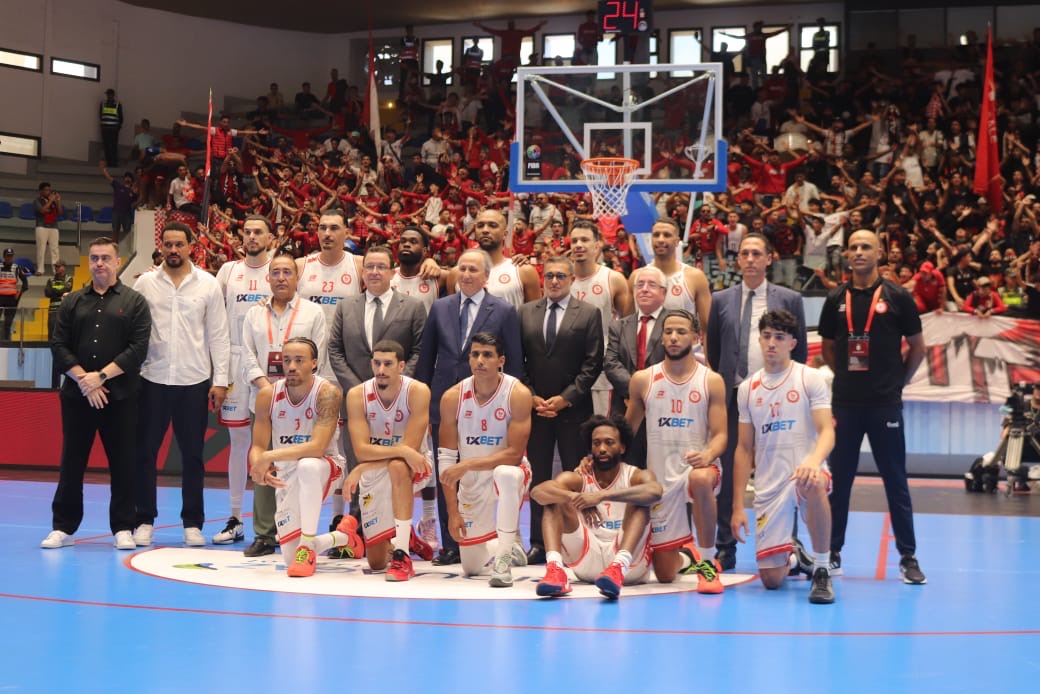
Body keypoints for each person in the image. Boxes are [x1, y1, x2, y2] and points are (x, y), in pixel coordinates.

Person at [818, 229, 927, 584]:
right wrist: (846, 377)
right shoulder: (835, 298)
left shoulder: (898, 296)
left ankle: (908, 556)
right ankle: (831, 552)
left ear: (880, 253)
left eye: (866, 246)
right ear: (847, 255)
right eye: (853, 247)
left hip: (884, 405)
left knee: (896, 481)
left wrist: (898, 383)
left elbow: (917, 347)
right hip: (845, 404)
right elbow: (829, 348)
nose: (859, 252)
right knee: (840, 482)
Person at [705, 232, 807, 571]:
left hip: (777, 397)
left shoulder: (789, 298)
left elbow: (799, 351)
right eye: (744, 253)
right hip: (735, 397)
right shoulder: (720, 300)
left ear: (769, 259)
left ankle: (787, 545)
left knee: (782, 471)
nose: (750, 259)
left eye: (756, 253)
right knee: (729, 469)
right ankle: (725, 546)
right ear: (738, 260)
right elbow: (715, 351)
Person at [41, 237, 151, 550]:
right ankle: (63, 527)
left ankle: (123, 527)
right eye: (94, 258)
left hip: (122, 397)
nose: (99, 263)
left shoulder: (135, 302)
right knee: (71, 462)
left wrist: (100, 377)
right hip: (78, 397)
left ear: (117, 262)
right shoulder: (72, 301)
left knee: (123, 463)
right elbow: (58, 345)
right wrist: (84, 381)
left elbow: (138, 349)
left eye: (105, 258)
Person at [415, 249, 523, 565]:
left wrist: (509, 404)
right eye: (461, 268)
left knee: (488, 473)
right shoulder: (440, 307)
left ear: (486, 276)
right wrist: (423, 407)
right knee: (449, 469)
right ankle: (451, 544)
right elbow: (426, 359)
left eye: (473, 269)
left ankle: (500, 540)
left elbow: (514, 361)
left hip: (491, 405)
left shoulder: (503, 310)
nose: (465, 274)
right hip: (445, 401)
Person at [132, 222, 230, 547]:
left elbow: (219, 335)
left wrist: (220, 380)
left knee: (192, 456)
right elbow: (133, 329)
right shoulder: (145, 283)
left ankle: (192, 523)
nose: (173, 250)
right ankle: (143, 520)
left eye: (179, 244)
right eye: (168, 244)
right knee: (145, 453)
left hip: (194, 381)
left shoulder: (208, 285)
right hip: (152, 379)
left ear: (191, 247)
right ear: (161, 247)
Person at [731, 310, 836, 604]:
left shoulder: (810, 378)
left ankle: (822, 569)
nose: (771, 343)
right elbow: (743, 449)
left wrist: (813, 461)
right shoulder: (747, 389)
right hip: (769, 484)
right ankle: (794, 556)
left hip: (805, 470)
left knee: (812, 482)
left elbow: (827, 431)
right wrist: (737, 506)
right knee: (772, 580)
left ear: (792, 342)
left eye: (779, 337)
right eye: (766, 336)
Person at [327, 244, 429, 547]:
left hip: (399, 401)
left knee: (397, 465)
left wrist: (395, 384)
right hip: (357, 400)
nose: (374, 272)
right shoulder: (346, 306)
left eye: (381, 266)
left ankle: (399, 530)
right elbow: (335, 350)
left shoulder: (412, 307)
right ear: (362, 272)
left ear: (392, 271)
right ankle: (358, 529)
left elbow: (418, 350)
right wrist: (361, 390)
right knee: (359, 460)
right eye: (369, 266)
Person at [625, 309, 728, 592]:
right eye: (668, 331)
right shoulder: (643, 379)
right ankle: (688, 556)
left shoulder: (711, 380)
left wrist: (707, 455)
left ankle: (707, 564)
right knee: (665, 574)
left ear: (695, 338)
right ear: (661, 337)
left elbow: (721, 435)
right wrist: (596, 460)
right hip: (661, 478)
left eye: (681, 332)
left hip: (699, 467)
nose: (673, 337)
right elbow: (626, 432)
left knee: (700, 479)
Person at [248, 338, 363, 577]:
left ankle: (307, 547)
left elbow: (317, 447)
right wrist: (258, 465)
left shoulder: (328, 393)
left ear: (314, 363)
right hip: (286, 475)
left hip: (326, 468)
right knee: (290, 556)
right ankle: (343, 537)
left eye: (299, 360)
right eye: (287, 360)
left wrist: (268, 455)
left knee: (307, 465)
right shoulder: (267, 395)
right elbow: (257, 446)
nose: (291, 366)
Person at [519, 255, 604, 564]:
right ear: (543, 279)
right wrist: (531, 396)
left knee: (576, 475)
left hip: (574, 410)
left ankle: (579, 540)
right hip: (536, 409)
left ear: (571, 279)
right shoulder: (525, 312)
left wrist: (566, 398)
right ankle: (539, 543)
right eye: (549, 276)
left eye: (560, 276)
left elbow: (593, 363)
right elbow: (517, 360)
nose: (554, 281)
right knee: (538, 477)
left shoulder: (589, 313)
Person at [438, 332, 534, 585]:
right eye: (475, 354)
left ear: (501, 360)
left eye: (487, 355)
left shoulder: (517, 393)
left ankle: (503, 559)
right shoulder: (452, 397)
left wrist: (468, 464)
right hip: (472, 482)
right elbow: (447, 460)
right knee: (471, 567)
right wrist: (452, 512)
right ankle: (509, 545)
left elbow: (514, 454)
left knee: (506, 473)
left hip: (510, 474)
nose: (480, 360)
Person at [531, 415, 662, 599]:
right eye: (596, 443)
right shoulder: (580, 477)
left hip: (629, 566)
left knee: (640, 498)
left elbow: (655, 491)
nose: (602, 448)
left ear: (622, 447)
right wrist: (575, 497)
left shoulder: (635, 475)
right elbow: (538, 492)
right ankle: (555, 569)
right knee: (554, 499)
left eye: (609, 442)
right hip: (586, 561)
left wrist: (600, 496)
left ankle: (618, 566)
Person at [344, 340, 434, 581]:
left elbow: (411, 452)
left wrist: (363, 466)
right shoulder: (357, 395)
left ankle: (402, 555)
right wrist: (368, 463)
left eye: (387, 364)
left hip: (415, 466)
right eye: (377, 363)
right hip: (376, 466)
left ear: (401, 366)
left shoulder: (418, 391)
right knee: (375, 562)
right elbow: (361, 451)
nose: (381, 369)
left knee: (397, 466)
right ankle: (406, 536)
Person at [214, 216, 274, 553]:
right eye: (247, 231)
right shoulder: (228, 271)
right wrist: (219, 372)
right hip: (236, 360)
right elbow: (215, 319)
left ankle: (278, 522)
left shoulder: (279, 269)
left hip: (270, 361)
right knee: (239, 442)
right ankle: (235, 518)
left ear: (270, 237)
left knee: (273, 442)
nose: (252, 236)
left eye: (258, 232)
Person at [603, 265, 668, 464]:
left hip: (663, 407)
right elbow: (611, 363)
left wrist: (644, 395)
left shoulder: (674, 324)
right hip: (624, 406)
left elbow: (674, 363)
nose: (644, 289)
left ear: (664, 293)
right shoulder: (619, 325)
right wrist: (634, 393)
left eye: (651, 285)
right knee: (626, 466)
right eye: (640, 285)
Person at [569, 220, 633, 415]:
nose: (578, 245)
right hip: (568, 368)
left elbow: (629, 326)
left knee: (601, 426)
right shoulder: (559, 279)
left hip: (602, 369)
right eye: (574, 240)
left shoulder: (613, 279)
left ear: (597, 245)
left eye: (584, 240)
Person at [448, 208, 541, 309]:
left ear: (505, 234)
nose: (485, 230)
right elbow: (452, 314)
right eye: (480, 226)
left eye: (492, 226)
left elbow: (534, 316)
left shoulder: (523, 271)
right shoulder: (455, 274)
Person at [642, 217, 711, 351]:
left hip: (687, 356)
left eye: (667, 235)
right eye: (656, 235)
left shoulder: (695, 277)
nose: (660, 239)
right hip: (648, 357)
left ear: (677, 241)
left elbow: (708, 327)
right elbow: (628, 328)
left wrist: (708, 361)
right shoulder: (637, 277)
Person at [97, 163, 136, 243]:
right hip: (116, 212)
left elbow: (136, 201)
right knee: (115, 232)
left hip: (127, 213)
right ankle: (114, 247)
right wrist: (103, 169)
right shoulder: (118, 186)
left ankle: (128, 248)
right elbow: (109, 178)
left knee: (128, 233)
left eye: (129, 177)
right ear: (124, 179)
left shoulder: (133, 191)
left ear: (132, 180)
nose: (127, 179)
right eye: (126, 177)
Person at [0, 248, 29, 341]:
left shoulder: (17, 267)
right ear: (4, 257)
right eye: (8, 256)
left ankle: (6, 343)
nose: (9, 258)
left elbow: (25, 285)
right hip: (0, 298)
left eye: (11, 256)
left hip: (11, 299)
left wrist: (18, 295)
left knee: (8, 324)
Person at [34, 182, 62, 276]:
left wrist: (58, 200)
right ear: (41, 191)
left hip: (54, 226)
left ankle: (56, 270)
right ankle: (40, 269)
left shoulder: (53, 201)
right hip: (41, 226)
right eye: (46, 190)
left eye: (49, 190)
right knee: (41, 248)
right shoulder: (37, 200)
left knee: (55, 249)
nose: (48, 192)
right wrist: (50, 201)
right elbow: (42, 210)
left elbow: (60, 212)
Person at [43, 260, 73, 340]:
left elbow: (67, 289)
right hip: (52, 310)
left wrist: (53, 289)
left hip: (64, 310)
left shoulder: (68, 279)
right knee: (51, 332)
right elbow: (47, 293)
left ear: (64, 268)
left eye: (58, 266)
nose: (56, 268)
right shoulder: (51, 279)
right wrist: (60, 291)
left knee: (63, 331)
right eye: (55, 266)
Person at [99, 88, 123, 167]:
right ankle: (109, 163)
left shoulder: (117, 104)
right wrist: (103, 126)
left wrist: (118, 128)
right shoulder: (103, 104)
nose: (108, 96)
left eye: (110, 95)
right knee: (106, 146)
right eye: (107, 95)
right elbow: (101, 116)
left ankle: (114, 164)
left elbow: (121, 118)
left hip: (113, 130)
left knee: (113, 147)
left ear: (113, 95)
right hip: (105, 129)